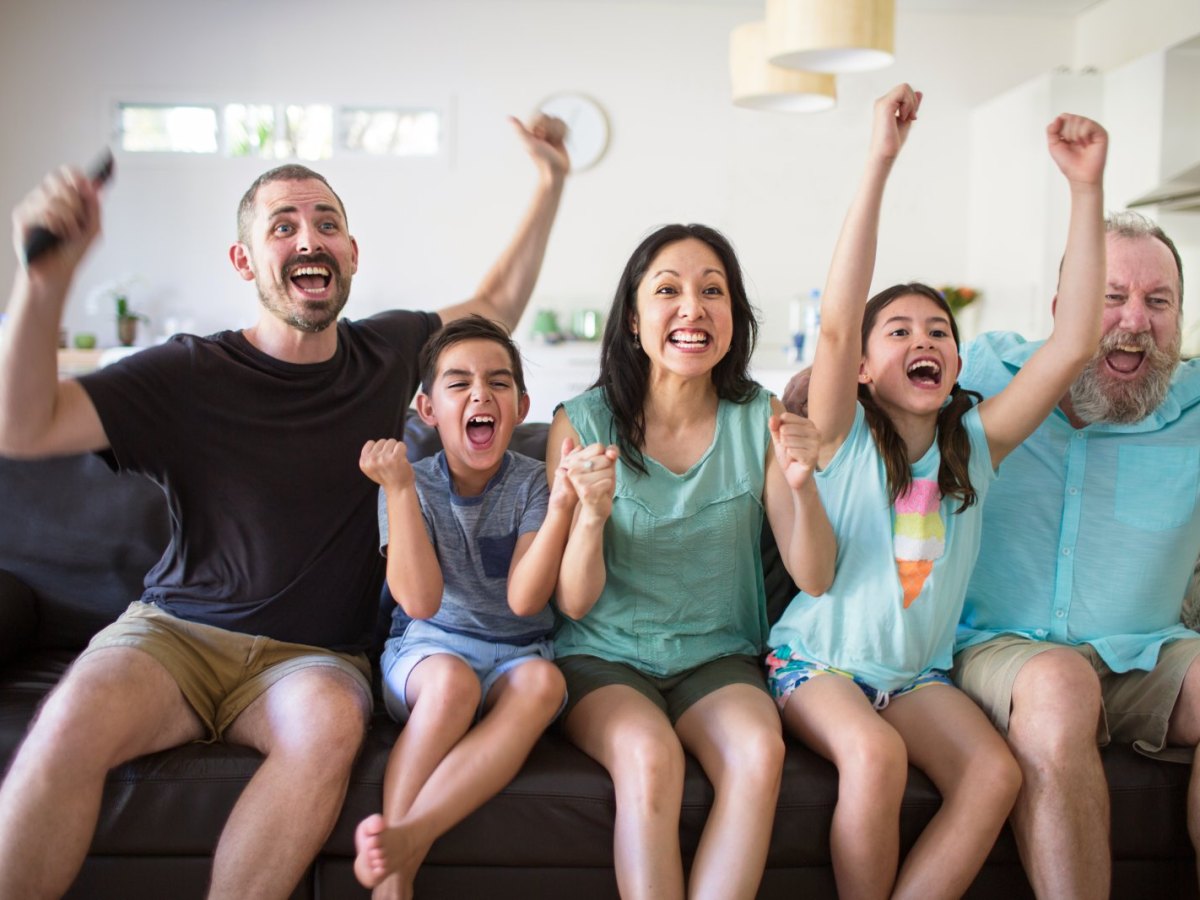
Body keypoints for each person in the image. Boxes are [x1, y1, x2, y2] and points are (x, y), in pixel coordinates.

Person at [0, 115, 568, 900]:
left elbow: (496, 303)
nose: (310, 237)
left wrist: (549, 183)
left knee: (331, 730)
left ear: (351, 255)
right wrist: (45, 279)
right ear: (246, 260)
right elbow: (23, 424)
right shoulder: (185, 372)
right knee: (63, 727)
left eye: (327, 223)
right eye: (284, 226)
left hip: (314, 660)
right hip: (174, 634)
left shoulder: (387, 350)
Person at [766, 84, 1107, 900]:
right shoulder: (841, 430)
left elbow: (1071, 345)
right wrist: (881, 159)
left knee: (993, 776)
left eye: (940, 332)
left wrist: (1087, 189)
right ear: (860, 367)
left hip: (916, 676)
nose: (925, 340)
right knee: (875, 758)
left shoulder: (974, 446)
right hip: (817, 664)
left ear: (954, 364)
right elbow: (841, 320)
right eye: (902, 331)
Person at [546, 221, 836, 900]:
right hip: (604, 657)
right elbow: (575, 603)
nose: (692, 308)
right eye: (668, 290)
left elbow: (815, 575)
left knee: (759, 754)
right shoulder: (582, 422)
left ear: (733, 317)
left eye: (713, 291)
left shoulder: (759, 418)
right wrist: (590, 516)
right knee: (650, 758)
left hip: (719, 657)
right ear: (633, 319)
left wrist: (802, 482)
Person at [950, 208, 1200, 897]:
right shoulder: (977, 377)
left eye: (1158, 301)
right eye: (1112, 296)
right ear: (1063, 308)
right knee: (1061, 684)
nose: (1135, 320)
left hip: (1149, 653)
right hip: (1003, 650)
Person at [352, 315, 580, 899]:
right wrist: (400, 490)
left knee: (545, 685)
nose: (481, 393)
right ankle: (393, 885)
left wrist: (563, 504)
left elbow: (525, 599)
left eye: (498, 383)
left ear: (522, 404)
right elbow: (420, 600)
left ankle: (406, 839)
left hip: (518, 651)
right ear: (427, 410)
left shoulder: (536, 484)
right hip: (430, 649)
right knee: (451, 686)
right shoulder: (409, 482)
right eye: (459, 383)